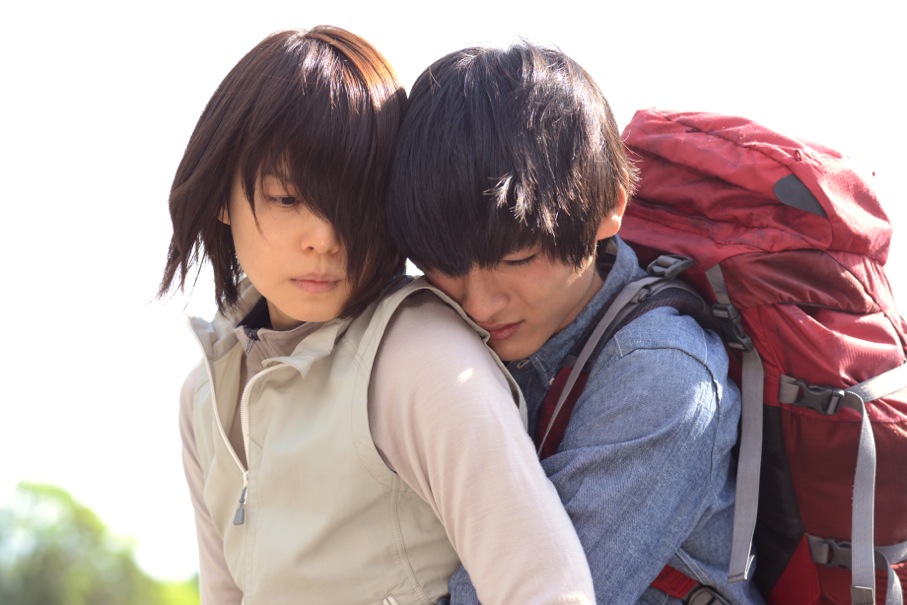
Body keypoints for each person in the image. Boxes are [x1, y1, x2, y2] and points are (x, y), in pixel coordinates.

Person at [158, 27, 596, 605]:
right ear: (222, 196)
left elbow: (548, 591)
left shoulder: (420, 358)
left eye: (354, 204)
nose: (324, 238)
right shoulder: (204, 396)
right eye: (286, 198)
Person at [386, 43, 765, 604]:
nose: (481, 305)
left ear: (610, 207)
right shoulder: (452, 329)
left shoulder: (664, 382)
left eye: (517, 259)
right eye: (445, 267)